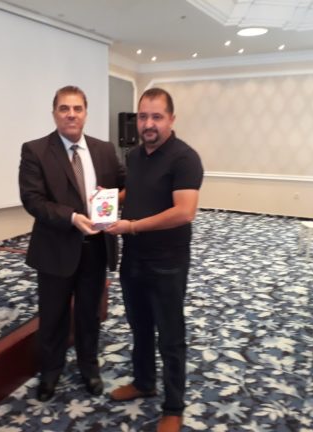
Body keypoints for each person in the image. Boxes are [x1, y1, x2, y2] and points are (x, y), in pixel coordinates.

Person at [105, 88, 203, 432]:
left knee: (170, 337)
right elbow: (136, 189)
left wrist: (132, 226)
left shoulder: (185, 158)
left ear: (171, 119)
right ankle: (144, 382)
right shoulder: (134, 156)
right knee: (140, 327)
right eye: (143, 116)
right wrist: (107, 200)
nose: (148, 124)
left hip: (167, 263)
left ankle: (174, 407)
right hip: (133, 259)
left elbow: (184, 211)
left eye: (156, 117)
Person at [19, 85, 125, 401]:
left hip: (96, 248)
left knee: (89, 314)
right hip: (56, 249)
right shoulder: (36, 150)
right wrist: (72, 217)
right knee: (53, 316)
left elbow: (125, 184)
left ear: (85, 113)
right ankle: (50, 372)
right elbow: (32, 200)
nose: (71, 114)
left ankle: (89, 368)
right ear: (54, 113)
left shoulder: (104, 150)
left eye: (77, 108)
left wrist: (114, 200)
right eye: (64, 108)